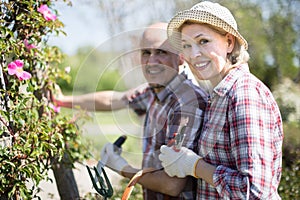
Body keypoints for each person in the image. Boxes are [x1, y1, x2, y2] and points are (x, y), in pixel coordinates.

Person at [54, 22, 207, 199]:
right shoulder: (155, 91)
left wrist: (122, 168)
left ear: (181, 57)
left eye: (161, 52)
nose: (151, 62)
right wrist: (62, 100)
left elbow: (171, 184)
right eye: (146, 53)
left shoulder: (187, 103)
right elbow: (115, 99)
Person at [158, 1, 284, 199]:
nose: (193, 54)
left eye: (203, 41)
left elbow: (254, 192)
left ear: (229, 42)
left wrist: (195, 166)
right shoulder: (217, 97)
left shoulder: (244, 94)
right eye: (186, 46)